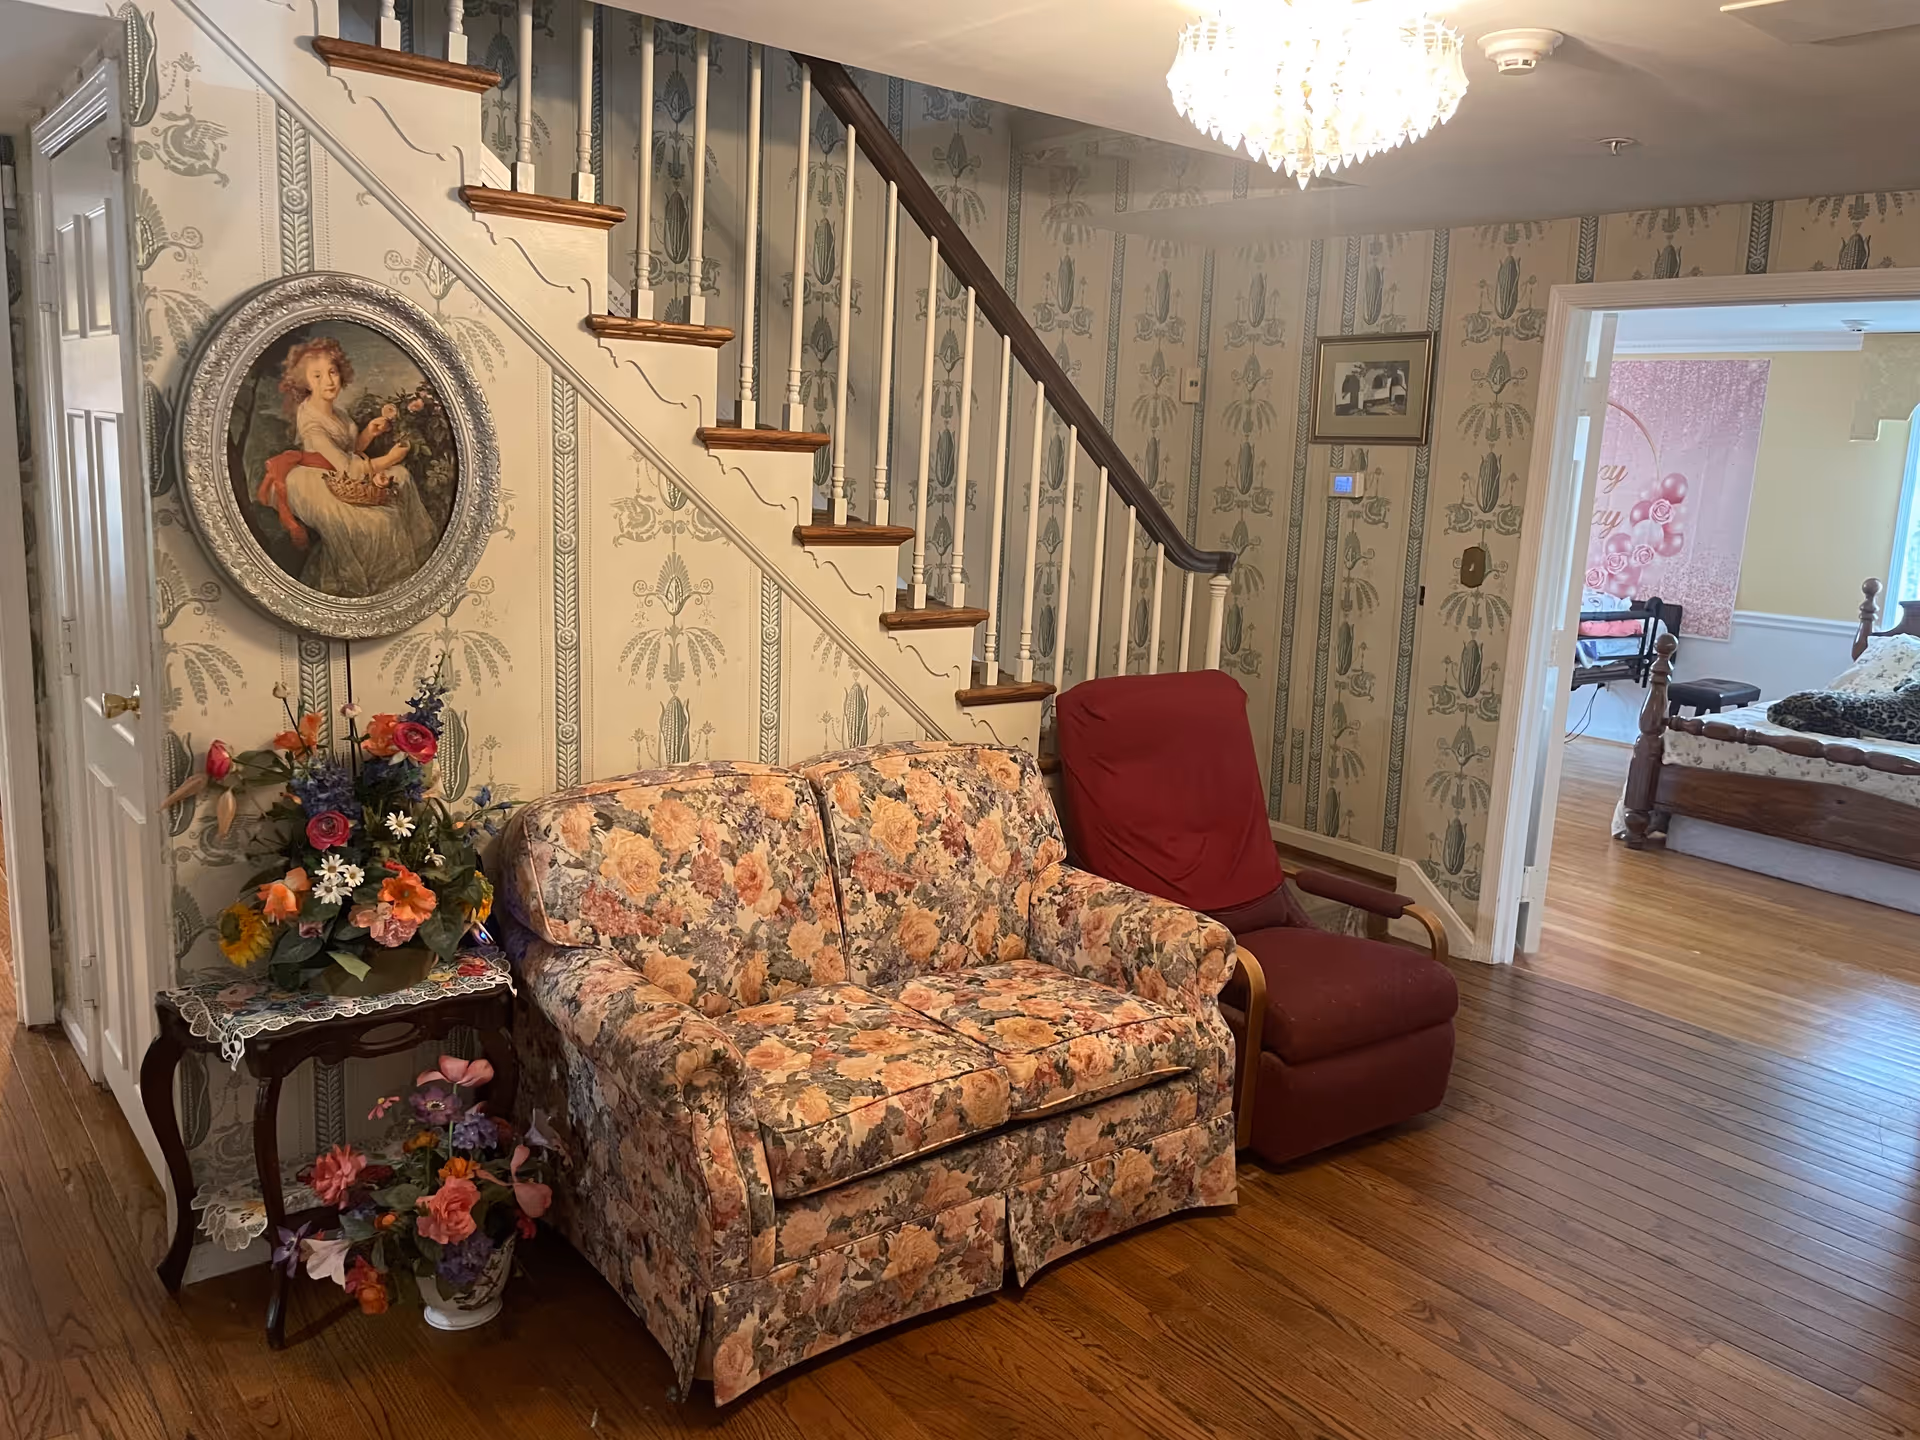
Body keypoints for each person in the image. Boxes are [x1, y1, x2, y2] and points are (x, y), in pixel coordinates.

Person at [257, 336, 440, 597]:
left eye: (332, 372)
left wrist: (369, 432)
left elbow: (351, 450)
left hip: (340, 471)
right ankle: (376, 586)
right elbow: (347, 468)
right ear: (305, 382)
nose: (328, 380)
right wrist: (387, 460)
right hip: (315, 479)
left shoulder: (339, 413)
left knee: (401, 475)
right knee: (371, 523)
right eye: (317, 376)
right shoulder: (310, 421)